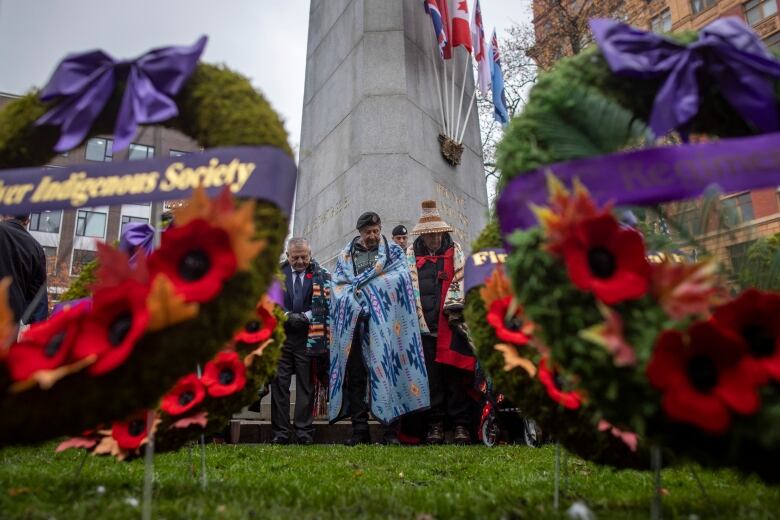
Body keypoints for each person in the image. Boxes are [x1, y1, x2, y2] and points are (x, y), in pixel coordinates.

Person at [329, 212, 429, 445]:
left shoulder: (393, 252)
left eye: (376, 230)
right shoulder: (346, 255)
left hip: (386, 327)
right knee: (356, 378)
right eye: (368, 232)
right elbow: (339, 286)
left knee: (389, 374)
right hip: (355, 325)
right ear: (360, 233)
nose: (373, 235)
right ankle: (359, 430)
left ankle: (390, 432)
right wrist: (355, 304)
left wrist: (371, 292)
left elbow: (401, 278)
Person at [406, 200, 475, 445]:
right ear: (423, 235)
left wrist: (455, 309)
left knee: (455, 377)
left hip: (451, 325)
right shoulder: (411, 255)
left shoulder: (454, 251)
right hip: (424, 329)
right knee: (432, 381)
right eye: (429, 234)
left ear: (442, 232)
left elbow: (462, 281)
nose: (433, 238)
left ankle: (461, 426)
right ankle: (435, 425)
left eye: (436, 234)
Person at [270, 237, 331, 445]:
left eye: (304, 257)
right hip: (282, 339)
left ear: (310, 254)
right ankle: (281, 433)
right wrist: (287, 316)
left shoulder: (320, 274)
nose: (300, 261)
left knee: (306, 386)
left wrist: (305, 316)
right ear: (287, 256)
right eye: (295, 257)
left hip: (309, 338)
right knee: (280, 386)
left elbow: (325, 302)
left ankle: (304, 432)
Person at [0, 215, 47, 328]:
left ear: (3, 215)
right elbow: (38, 299)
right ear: (27, 221)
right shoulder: (36, 247)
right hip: (9, 323)